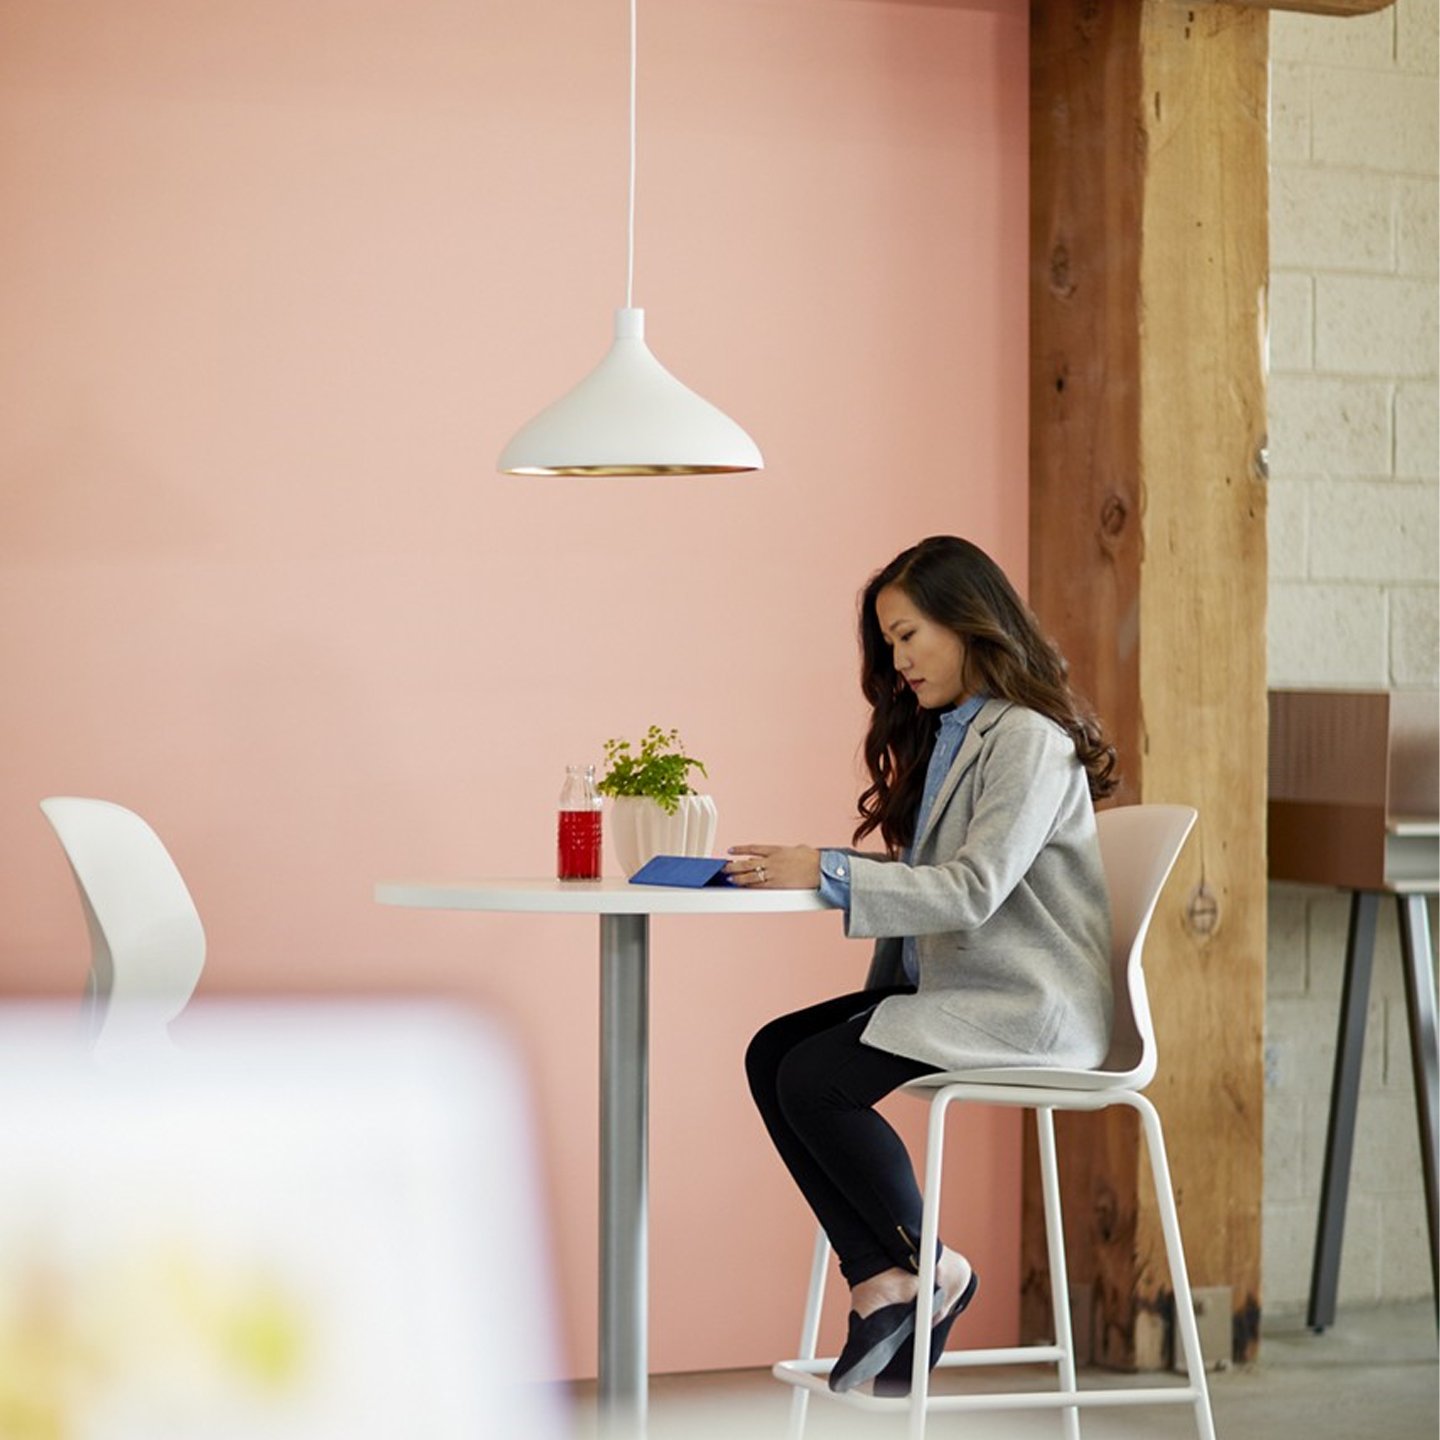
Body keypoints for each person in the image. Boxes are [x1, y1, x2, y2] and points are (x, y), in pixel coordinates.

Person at [725, 535, 1118, 1396]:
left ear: (968, 621)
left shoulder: (1028, 740)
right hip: (960, 991)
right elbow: (938, 882)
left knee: (817, 1080)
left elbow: (972, 889)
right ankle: (885, 1277)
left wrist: (828, 872)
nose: (898, 661)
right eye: (889, 644)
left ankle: (925, 1265)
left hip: (1026, 1004)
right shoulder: (957, 734)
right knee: (772, 1057)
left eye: (909, 636)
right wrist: (822, 866)